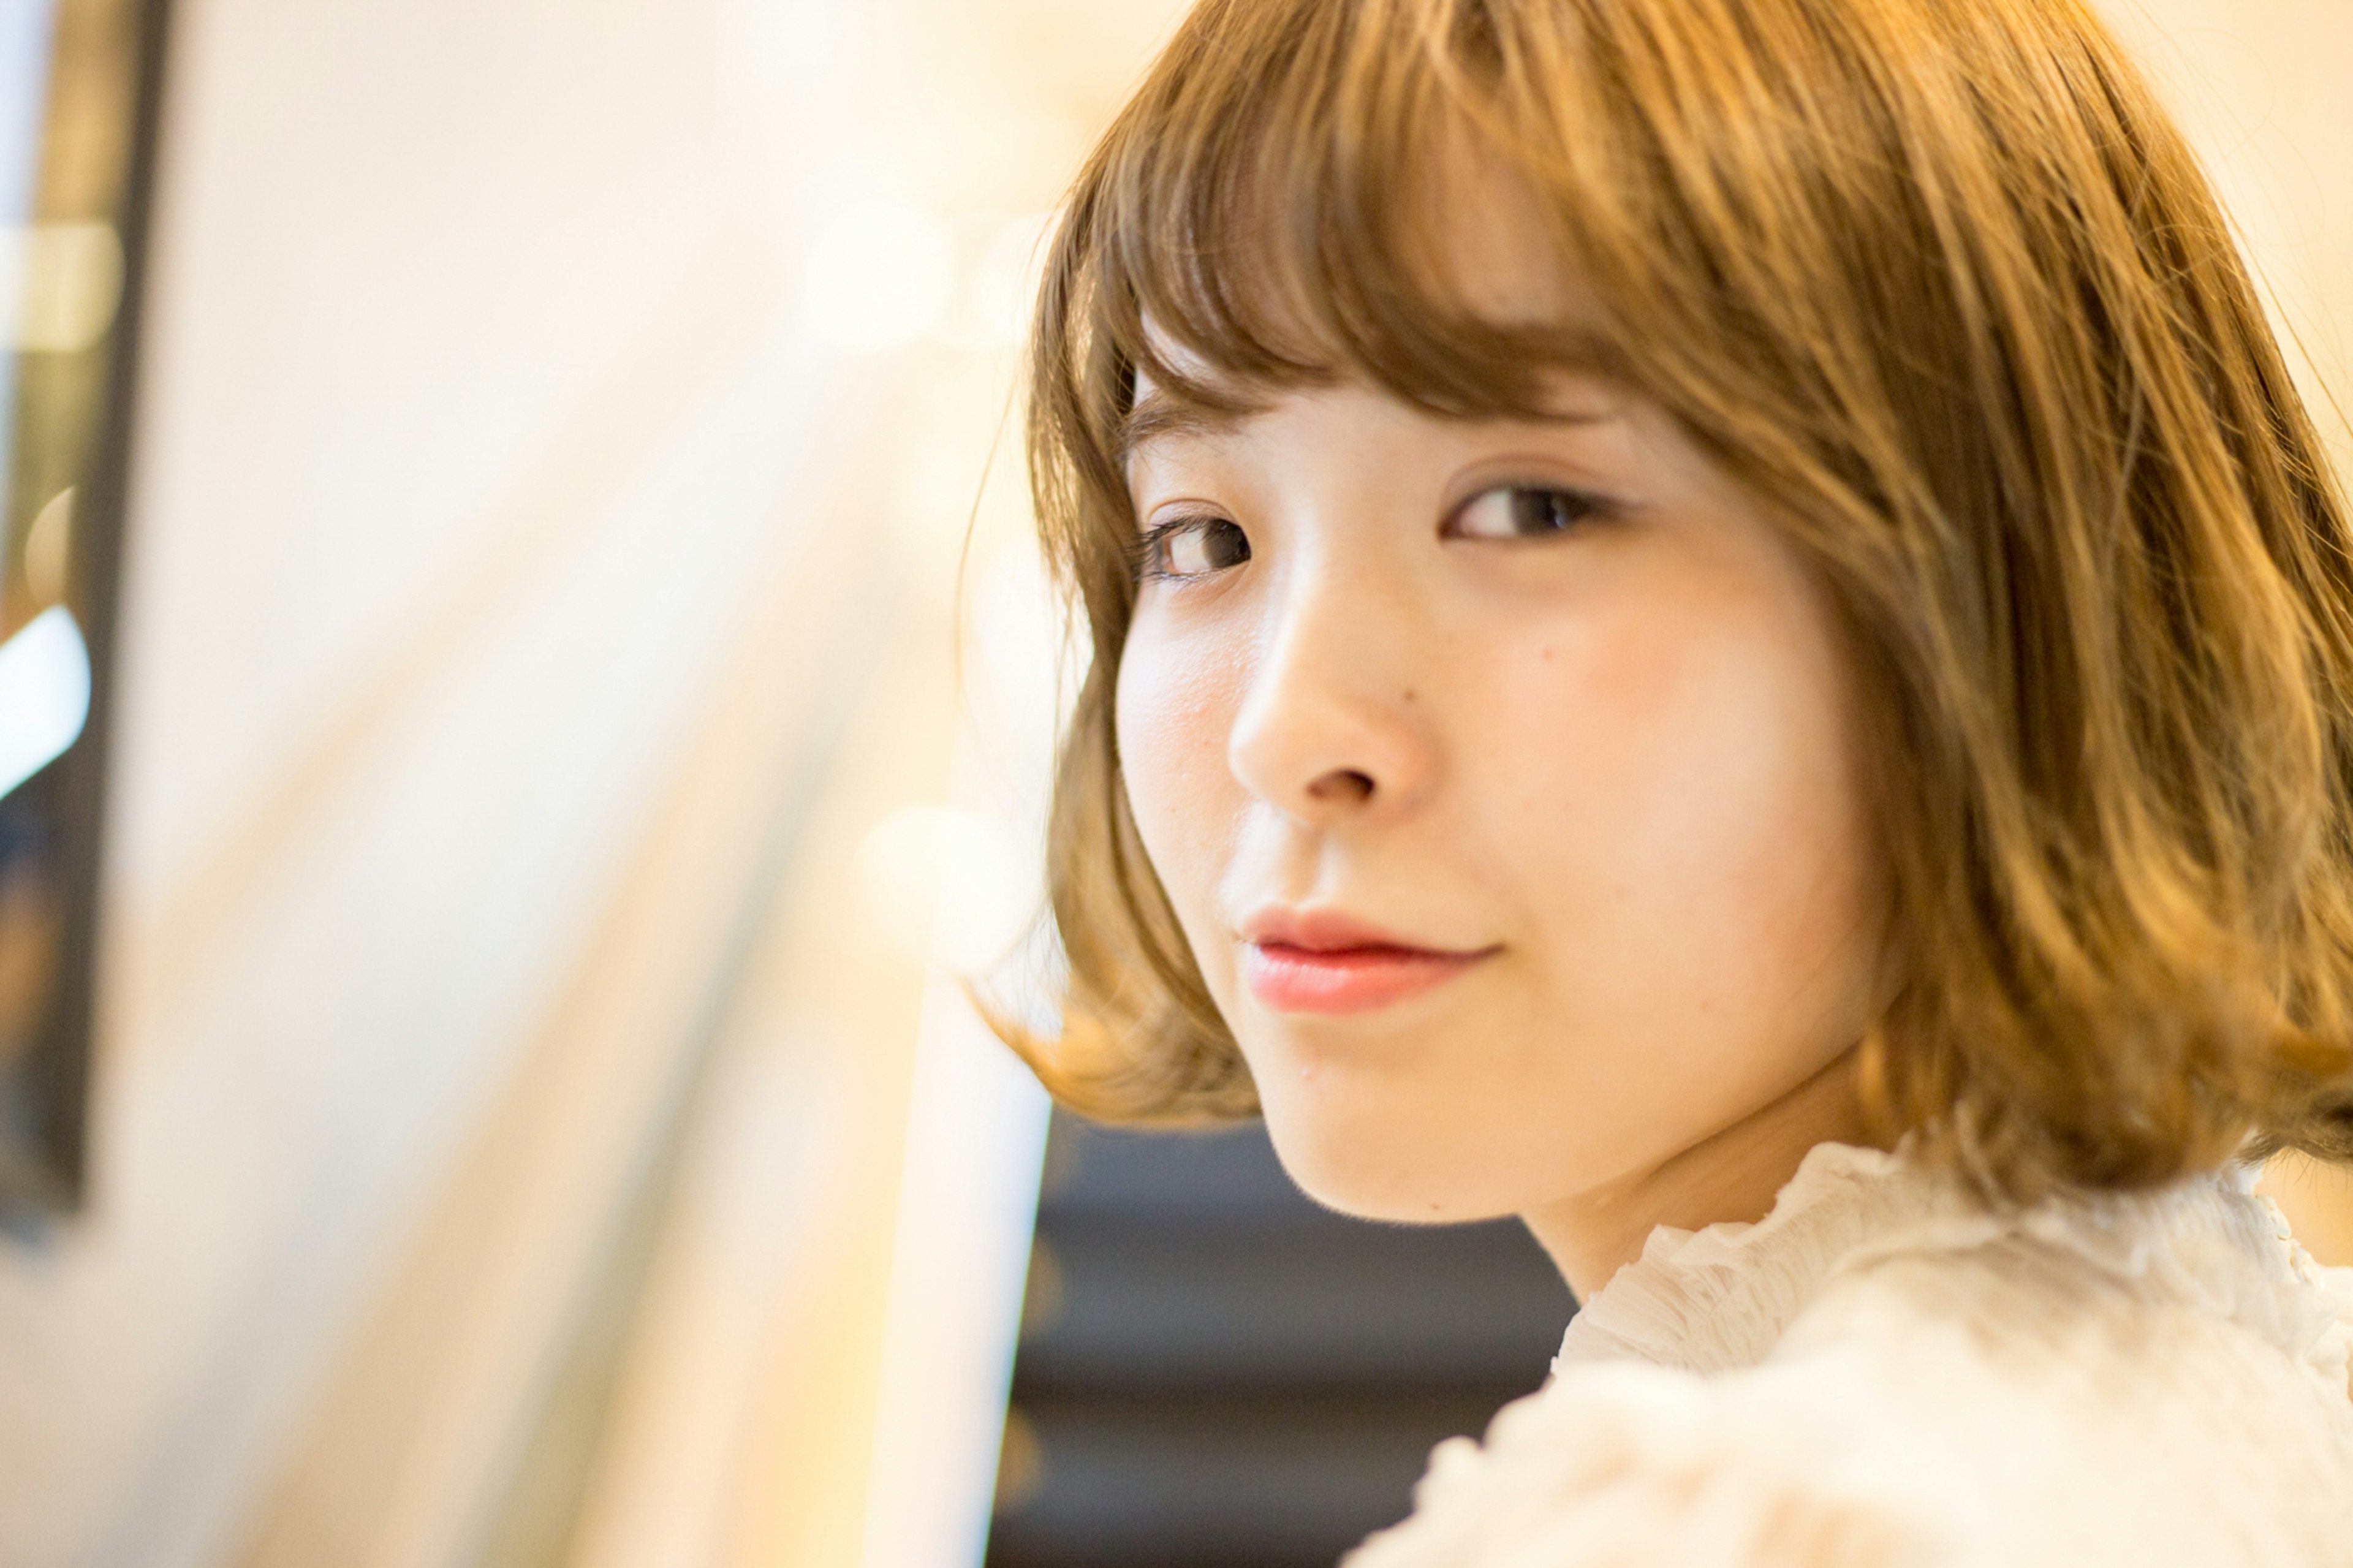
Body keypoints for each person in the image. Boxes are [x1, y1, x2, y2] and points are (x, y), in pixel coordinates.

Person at [994, 0, 2353, 1559]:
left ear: (2023, 583)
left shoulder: (1759, 1524)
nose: (1286, 731)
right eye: (1204, 537)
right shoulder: (2210, 1372)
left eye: (1530, 508)